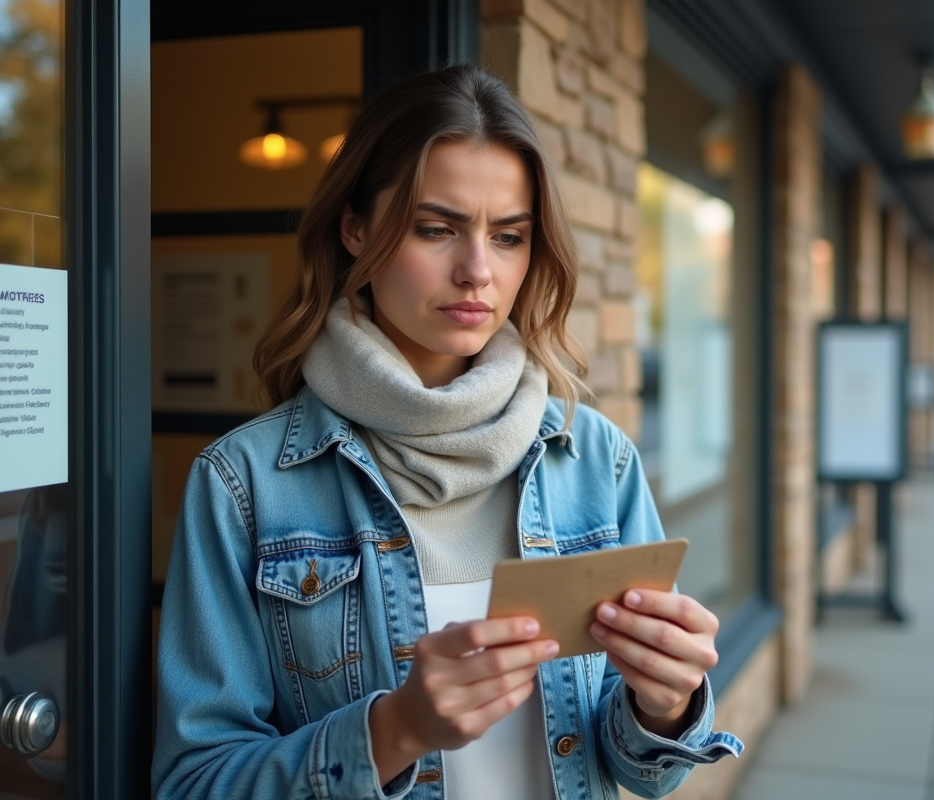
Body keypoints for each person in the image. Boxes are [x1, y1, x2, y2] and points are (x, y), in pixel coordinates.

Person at [152, 64, 742, 800]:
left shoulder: (595, 458)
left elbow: (648, 775)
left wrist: (669, 704)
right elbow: (193, 781)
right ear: (356, 227)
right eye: (437, 229)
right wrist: (395, 731)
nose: (477, 271)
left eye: (509, 237)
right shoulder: (245, 484)